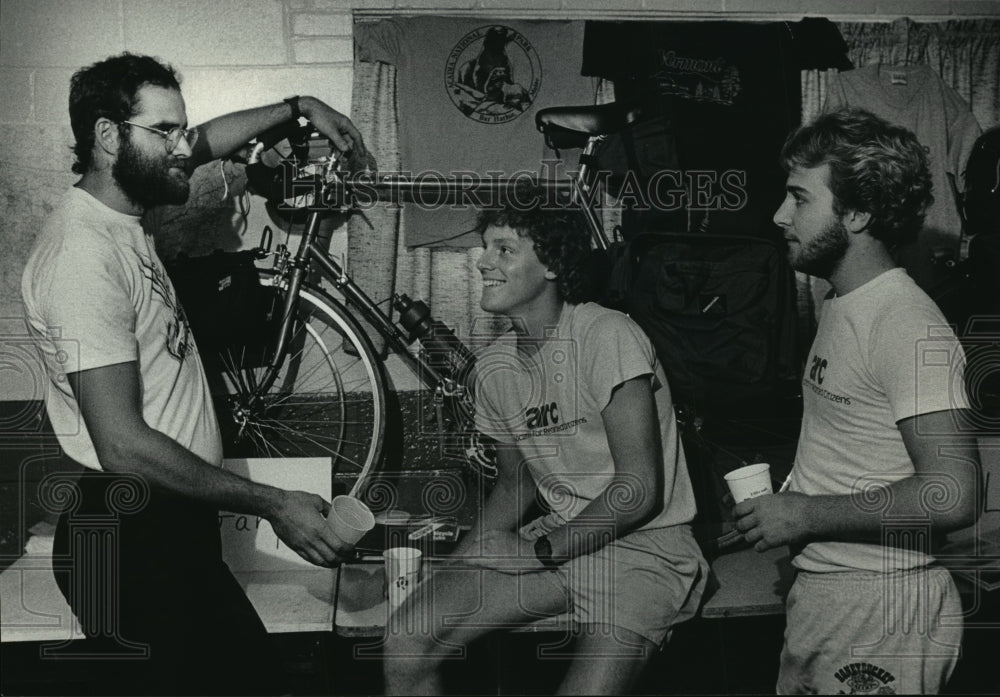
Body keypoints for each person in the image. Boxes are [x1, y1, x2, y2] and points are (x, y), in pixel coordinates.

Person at [21, 52, 367, 696]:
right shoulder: (81, 256)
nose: (184, 145)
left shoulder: (124, 216)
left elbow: (204, 144)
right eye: (165, 131)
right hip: (128, 541)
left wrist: (296, 108)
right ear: (106, 136)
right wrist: (274, 504)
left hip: (164, 532)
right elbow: (122, 445)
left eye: (180, 129)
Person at [381, 196, 708, 695]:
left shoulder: (606, 334)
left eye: (504, 250)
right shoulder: (495, 369)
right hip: (557, 537)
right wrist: (465, 560)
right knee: (406, 642)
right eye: (484, 247)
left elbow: (639, 490)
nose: (484, 261)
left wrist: (537, 551)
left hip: (643, 548)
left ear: (553, 265)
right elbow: (520, 478)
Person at [734, 107, 981, 694]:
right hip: (829, 593)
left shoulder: (905, 323)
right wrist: (794, 496)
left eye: (799, 199)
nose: (779, 215)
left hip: (883, 608)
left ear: (859, 211)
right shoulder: (842, 301)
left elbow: (955, 493)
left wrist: (804, 514)